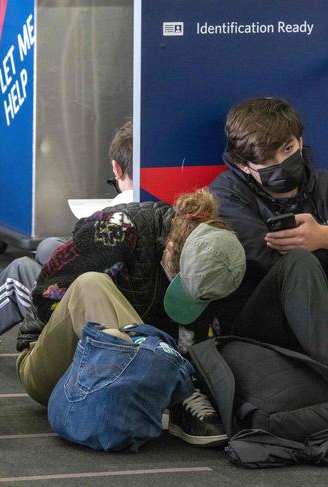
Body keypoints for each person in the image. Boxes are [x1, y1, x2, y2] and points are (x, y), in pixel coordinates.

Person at [16, 188, 246, 447]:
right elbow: (46, 297)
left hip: (124, 376)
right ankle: (178, 387)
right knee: (91, 285)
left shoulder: (220, 255)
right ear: (170, 248)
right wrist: (115, 336)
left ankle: (171, 383)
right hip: (54, 364)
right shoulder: (116, 230)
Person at [0, 119, 135, 350]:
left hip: (101, 330)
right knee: (47, 248)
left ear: (116, 169)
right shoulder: (176, 209)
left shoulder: (107, 220)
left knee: (22, 270)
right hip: (150, 323)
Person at [209, 97, 328, 365]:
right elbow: (270, 259)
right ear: (243, 165)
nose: (282, 162)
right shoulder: (225, 196)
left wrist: (322, 236)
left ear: (300, 139)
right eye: (267, 160)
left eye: (288, 149)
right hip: (260, 319)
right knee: (299, 262)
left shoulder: (323, 183)